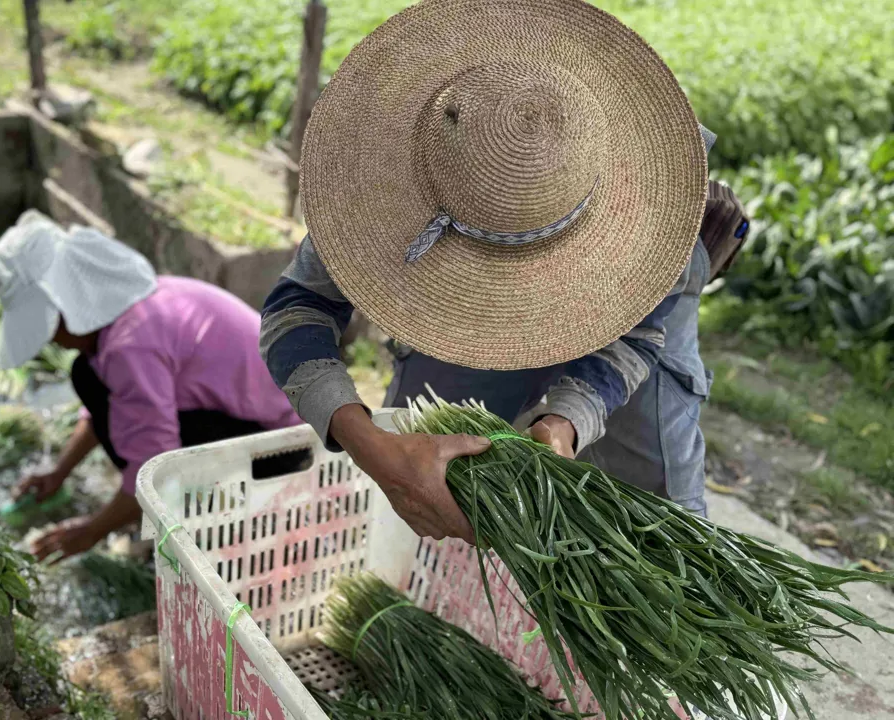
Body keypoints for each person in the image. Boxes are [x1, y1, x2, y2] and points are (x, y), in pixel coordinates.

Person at [259, 0, 745, 544]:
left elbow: (636, 336)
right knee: (442, 481)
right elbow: (297, 308)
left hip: (617, 276)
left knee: (657, 523)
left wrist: (566, 422)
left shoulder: (651, 208)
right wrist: (372, 447)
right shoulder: (391, 168)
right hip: (458, 265)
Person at [0, 213, 305, 560]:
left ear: (65, 307)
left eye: (47, 327)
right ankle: (164, 510)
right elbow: (107, 410)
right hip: (258, 425)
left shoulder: (130, 345)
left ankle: (212, 524)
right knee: (87, 376)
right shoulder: (130, 311)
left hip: (284, 451)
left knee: (151, 460)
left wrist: (90, 531)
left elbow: (153, 464)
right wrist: (60, 471)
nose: (50, 340)